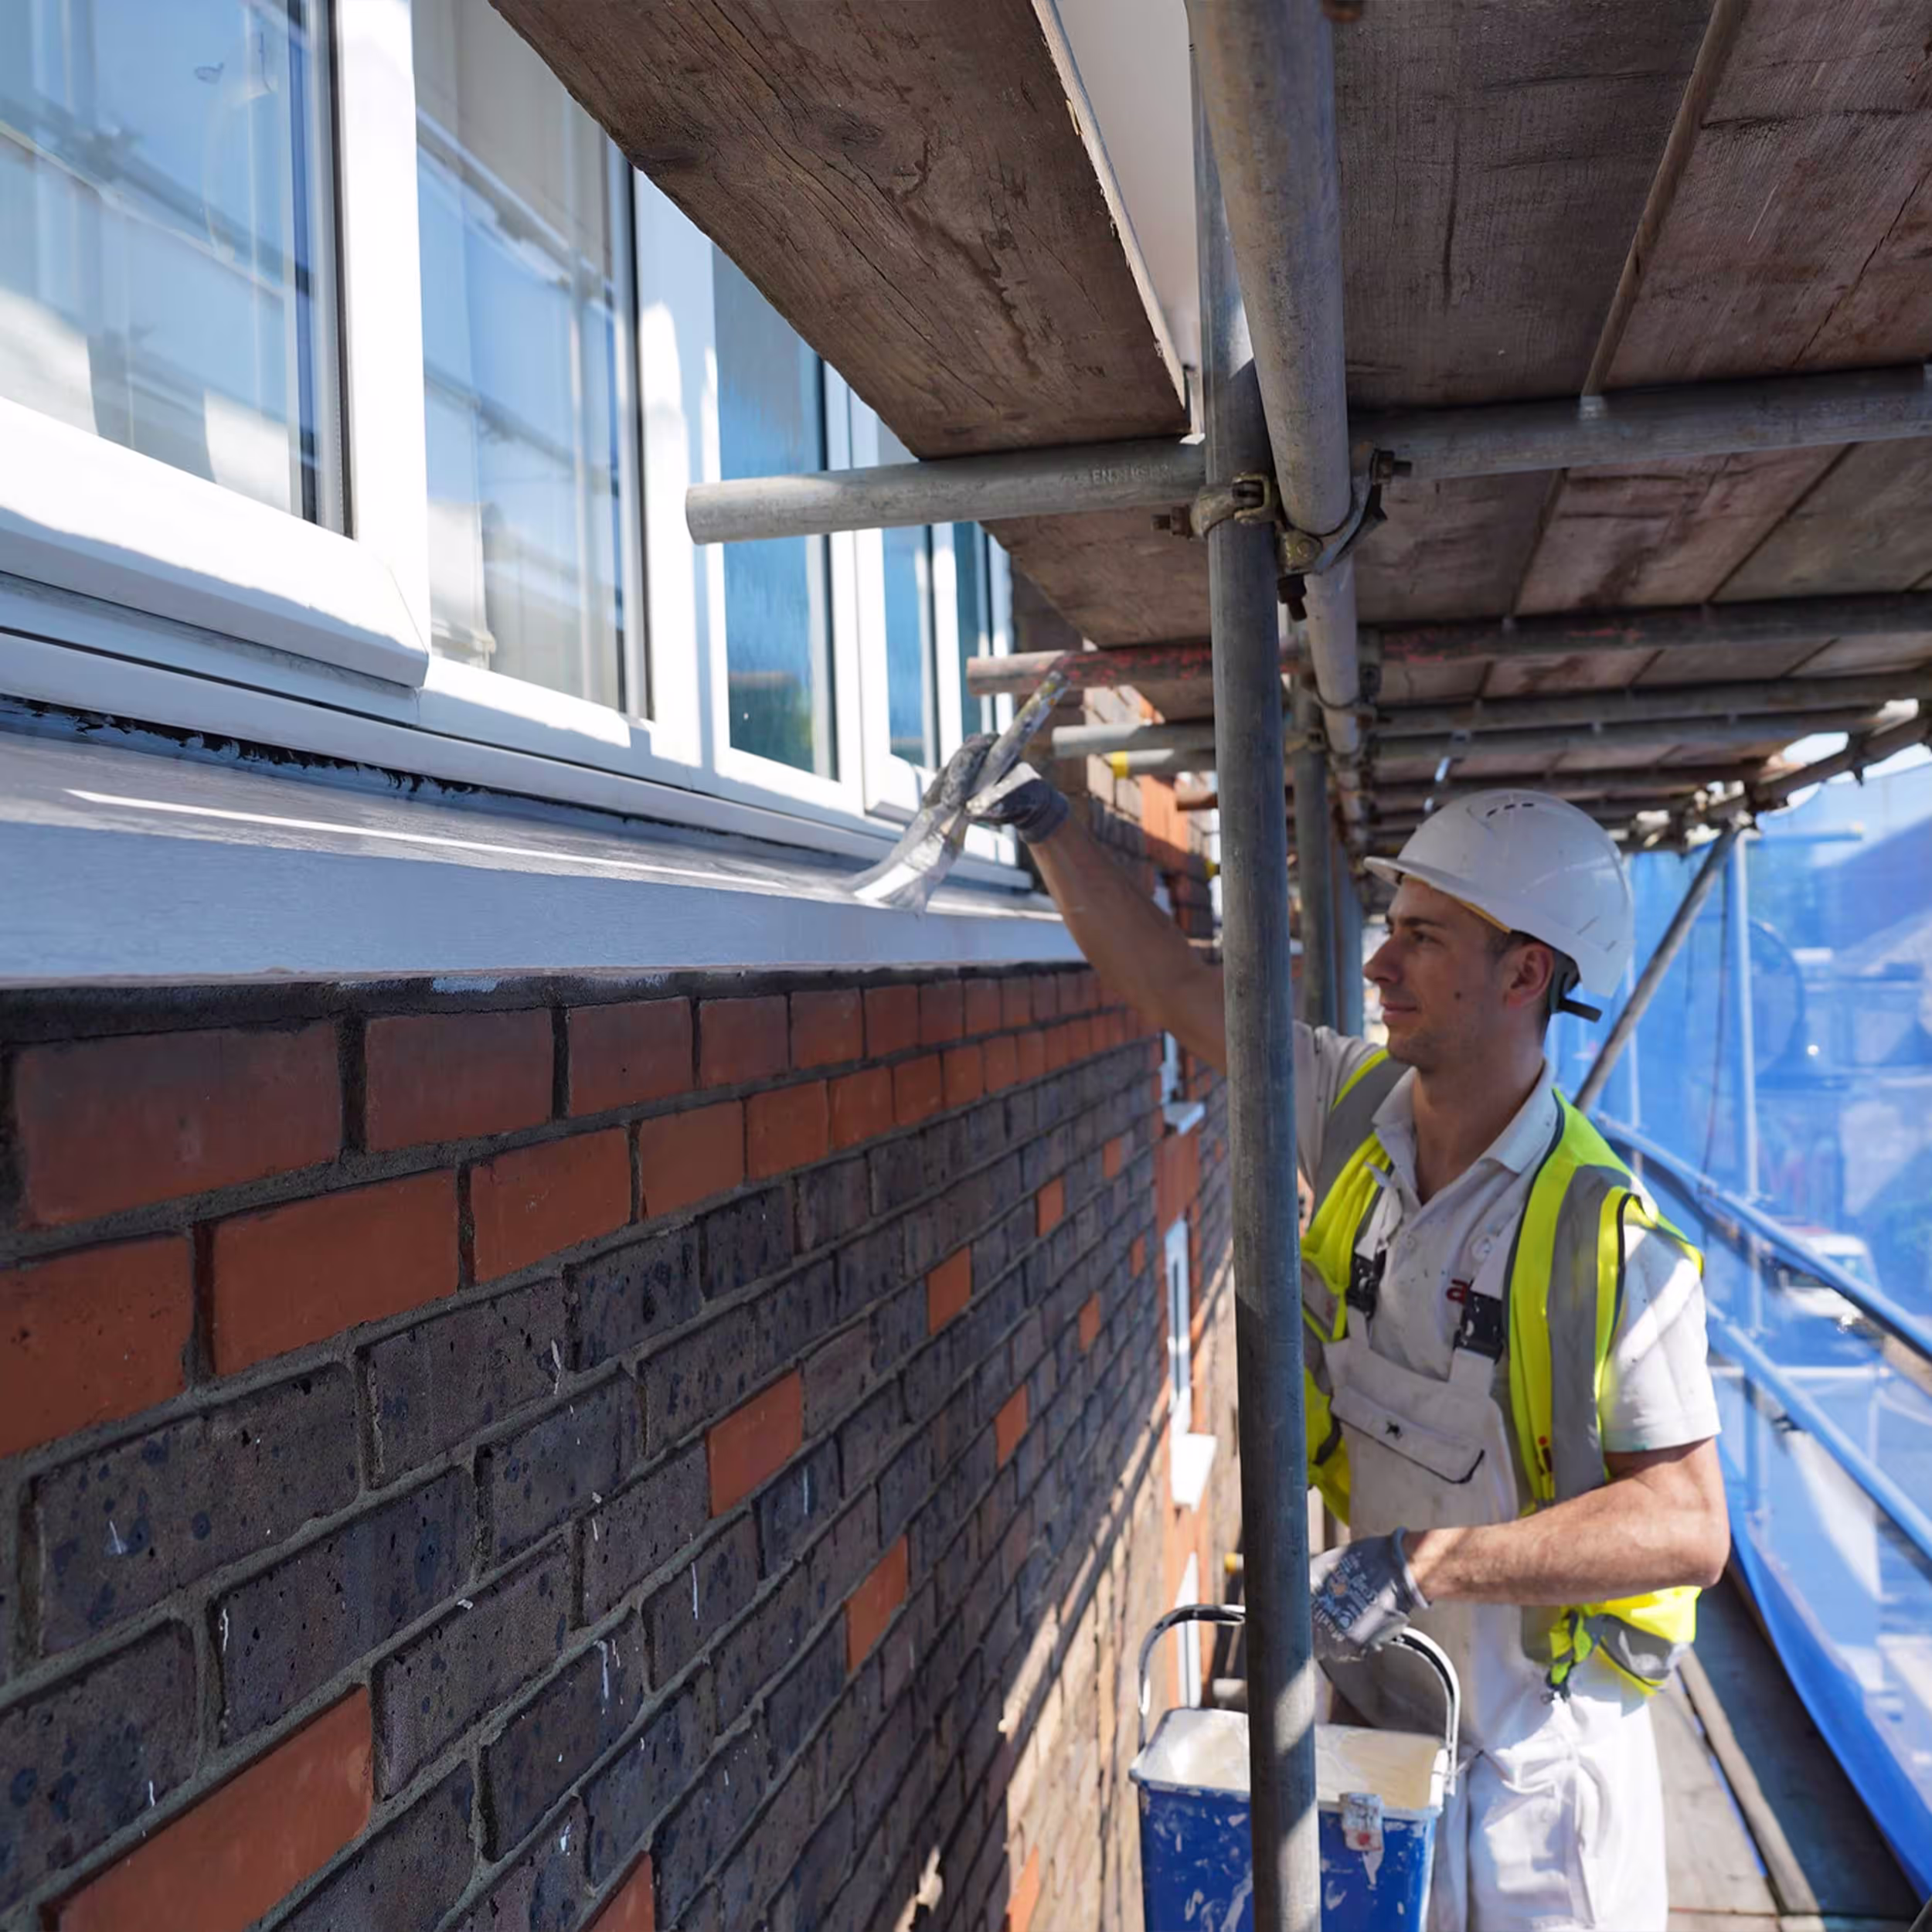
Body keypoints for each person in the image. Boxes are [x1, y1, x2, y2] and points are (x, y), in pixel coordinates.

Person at [957, 747, 1728, 1932]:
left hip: (1541, 1793)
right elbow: (1169, 983)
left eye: (1422, 938)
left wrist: (1422, 1565)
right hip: (1387, 1721)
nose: (1378, 963)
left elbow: (1687, 1525)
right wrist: (1047, 820)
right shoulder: (1355, 1112)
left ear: (1525, 971)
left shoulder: (1604, 1242)